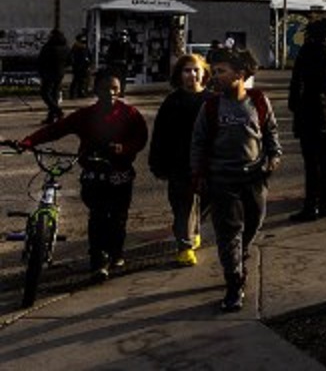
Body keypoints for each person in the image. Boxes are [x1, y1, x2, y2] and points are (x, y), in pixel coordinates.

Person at [18, 69, 149, 281]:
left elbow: (140, 139)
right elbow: (56, 129)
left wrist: (122, 149)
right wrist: (29, 141)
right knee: (97, 216)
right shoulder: (85, 116)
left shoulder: (130, 114)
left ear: (121, 89)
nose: (111, 93)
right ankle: (98, 260)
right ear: (96, 89)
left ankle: (116, 252)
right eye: (105, 88)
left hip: (120, 176)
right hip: (93, 176)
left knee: (118, 218)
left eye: (115, 88)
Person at [191, 46, 282, 312]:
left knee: (252, 225)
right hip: (222, 181)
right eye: (213, 71)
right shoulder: (210, 107)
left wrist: (272, 159)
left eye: (221, 71)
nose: (215, 76)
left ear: (240, 74)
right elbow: (197, 143)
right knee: (229, 232)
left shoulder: (259, 101)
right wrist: (198, 175)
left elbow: (271, 134)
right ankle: (234, 284)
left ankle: (238, 257)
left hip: (254, 179)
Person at [149, 53, 212, 267]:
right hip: (179, 164)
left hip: (207, 165)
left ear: (204, 73)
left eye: (196, 70)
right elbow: (160, 134)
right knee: (182, 206)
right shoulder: (172, 101)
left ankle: (193, 231)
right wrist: (157, 162)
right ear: (180, 74)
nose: (192, 74)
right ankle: (184, 246)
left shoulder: (211, 100)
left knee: (204, 203)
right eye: (187, 70)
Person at [287, 18, 326, 222]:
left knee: (312, 164)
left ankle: (311, 206)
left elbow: (296, 83)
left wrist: (294, 106)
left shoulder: (307, 51)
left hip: (309, 110)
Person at [37, 29, 70, 124]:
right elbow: (70, 61)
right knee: (54, 93)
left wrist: (41, 71)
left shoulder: (48, 47)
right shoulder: (66, 48)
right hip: (60, 73)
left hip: (48, 73)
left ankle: (58, 111)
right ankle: (51, 116)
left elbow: (41, 60)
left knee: (45, 93)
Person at [105, 30, 133, 96]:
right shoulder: (114, 43)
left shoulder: (127, 44)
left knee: (123, 79)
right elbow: (110, 53)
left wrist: (129, 62)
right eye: (122, 35)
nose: (123, 37)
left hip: (124, 64)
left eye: (125, 35)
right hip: (116, 64)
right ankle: (116, 91)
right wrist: (110, 62)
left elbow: (130, 54)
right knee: (116, 78)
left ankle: (122, 92)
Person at [69, 32, 92, 99]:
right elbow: (72, 57)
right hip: (77, 66)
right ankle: (73, 94)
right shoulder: (75, 48)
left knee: (83, 81)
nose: (83, 43)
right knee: (76, 81)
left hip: (84, 67)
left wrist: (89, 63)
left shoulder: (85, 48)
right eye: (82, 41)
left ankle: (81, 93)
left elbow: (89, 56)